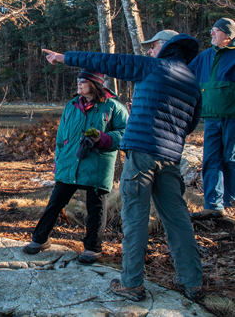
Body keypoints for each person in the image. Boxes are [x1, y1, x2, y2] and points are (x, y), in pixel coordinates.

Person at [42, 33, 203, 303]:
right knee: (178, 219)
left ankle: (130, 283)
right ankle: (192, 282)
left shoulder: (155, 66)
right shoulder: (192, 82)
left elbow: (107, 62)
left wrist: (64, 57)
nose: (150, 51)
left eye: (152, 47)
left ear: (164, 46)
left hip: (141, 154)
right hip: (171, 157)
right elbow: (191, 123)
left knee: (135, 217)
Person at [23, 69, 128, 264]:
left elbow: (125, 134)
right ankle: (40, 239)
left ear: (95, 83)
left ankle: (93, 248)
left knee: (96, 208)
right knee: (55, 202)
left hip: (98, 163)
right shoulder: (71, 106)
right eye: (78, 80)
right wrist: (57, 161)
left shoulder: (113, 107)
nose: (78, 83)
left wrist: (103, 138)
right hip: (69, 162)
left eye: (83, 80)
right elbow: (60, 137)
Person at [188, 17, 235, 220]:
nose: (211, 34)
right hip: (211, 118)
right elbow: (185, 74)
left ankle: (230, 203)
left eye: (216, 30)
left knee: (231, 159)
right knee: (211, 160)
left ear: (228, 35)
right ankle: (212, 205)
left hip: (233, 117)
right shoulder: (205, 57)